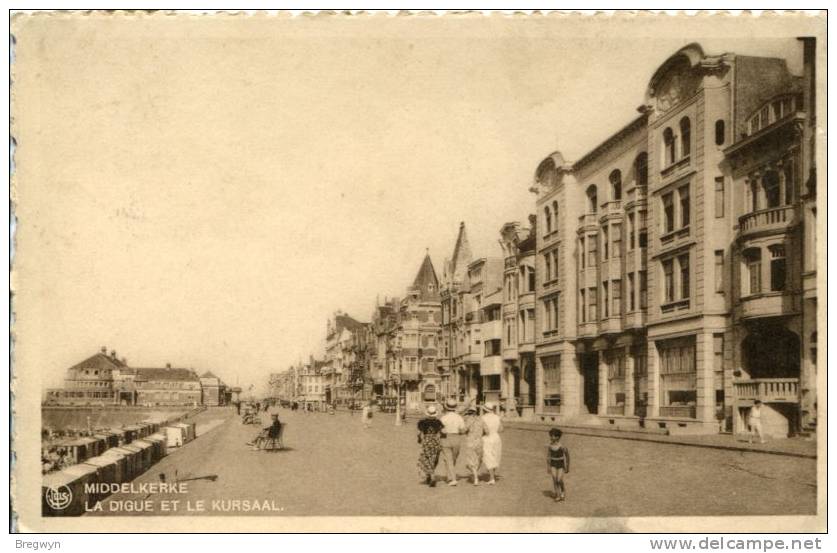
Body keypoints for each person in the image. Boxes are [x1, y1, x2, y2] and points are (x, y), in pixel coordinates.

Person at [438, 397, 466, 486]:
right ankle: (450, 476)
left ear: (446, 407)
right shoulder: (459, 418)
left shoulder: (443, 418)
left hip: (446, 438)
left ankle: (452, 478)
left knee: (448, 459)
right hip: (456, 438)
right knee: (453, 458)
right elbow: (463, 430)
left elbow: (440, 430)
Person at [417, 405, 444, 487]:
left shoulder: (422, 422)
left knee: (426, 458)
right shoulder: (438, 422)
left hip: (427, 441)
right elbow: (441, 432)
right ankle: (430, 475)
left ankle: (431, 475)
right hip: (435, 441)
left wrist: (419, 440)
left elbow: (419, 433)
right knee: (434, 459)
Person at [461, 405, 485, 485]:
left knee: (471, 461)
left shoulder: (468, 420)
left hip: (470, 441)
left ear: (469, 413)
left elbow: (464, 430)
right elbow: (487, 431)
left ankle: (475, 478)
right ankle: (474, 474)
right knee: (478, 460)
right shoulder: (481, 420)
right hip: (479, 441)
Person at [481, 401, 503, 485]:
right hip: (496, 437)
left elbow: (484, 430)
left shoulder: (482, 418)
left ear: (484, 410)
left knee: (488, 456)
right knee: (495, 455)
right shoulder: (497, 417)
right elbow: (501, 429)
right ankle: (492, 475)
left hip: (487, 438)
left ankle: (492, 478)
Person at [547, 428, 570, 502]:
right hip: (553, 463)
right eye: (550, 436)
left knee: (559, 479)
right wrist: (548, 466)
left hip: (560, 464)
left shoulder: (562, 446)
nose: (551, 437)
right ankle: (557, 494)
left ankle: (563, 491)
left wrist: (567, 466)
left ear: (557, 437)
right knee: (554, 479)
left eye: (552, 436)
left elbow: (567, 456)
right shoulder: (550, 446)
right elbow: (548, 456)